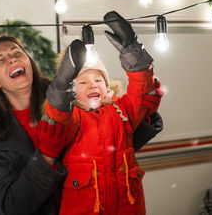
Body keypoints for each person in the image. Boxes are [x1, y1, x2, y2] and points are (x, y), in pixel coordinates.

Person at [0, 30, 163, 214]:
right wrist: (46, 156)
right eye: (1, 60)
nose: (12, 59)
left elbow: (106, 148)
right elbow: (12, 207)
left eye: (16, 53)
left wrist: (142, 113)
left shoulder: (69, 97)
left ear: (29, 62)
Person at [45, 11, 161, 214]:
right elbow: (57, 116)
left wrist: (132, 50)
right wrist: (61, 85)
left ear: (106, 86)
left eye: (98, 80)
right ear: (72, 90)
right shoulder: (73, 118)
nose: (93, 85)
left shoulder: (121, 111)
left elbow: (142, 93)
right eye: (83, 81)